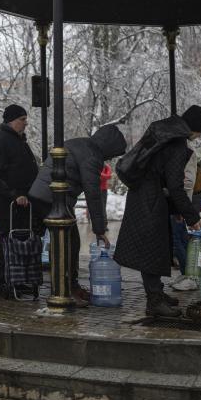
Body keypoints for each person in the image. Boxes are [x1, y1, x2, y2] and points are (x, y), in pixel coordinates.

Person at [113, 105, 201, 318]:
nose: (199, 136)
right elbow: (175, 185)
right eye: (200, 131)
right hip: (151, 199)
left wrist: (175, 209)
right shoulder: (177, 144)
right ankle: (154, 302)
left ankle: (157, 293)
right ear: (194, 128)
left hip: (143, 195)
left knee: (154, 247)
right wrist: (192, 216)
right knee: (152, 250)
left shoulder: (165, 133)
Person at [28, 125, 127, 305]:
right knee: (69, 243)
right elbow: (93, 193)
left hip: (45, 195)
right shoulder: (92, 156)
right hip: (53, 198)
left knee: (64, 242)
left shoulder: (80, 144)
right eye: (113, 153)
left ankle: (65, 285)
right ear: (108, 146)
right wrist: (99, 229)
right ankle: (66, 288)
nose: (111, 158)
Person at [0, 104, 40, 296]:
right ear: (11, 120)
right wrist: (15, 195)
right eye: (22, 119)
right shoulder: (0, 142)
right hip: (8, 203)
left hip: (23, 203)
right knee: (3, 241)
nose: (26, 123)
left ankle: (17, 279)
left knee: (19, 241)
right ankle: (1, 282)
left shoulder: (18, 141)